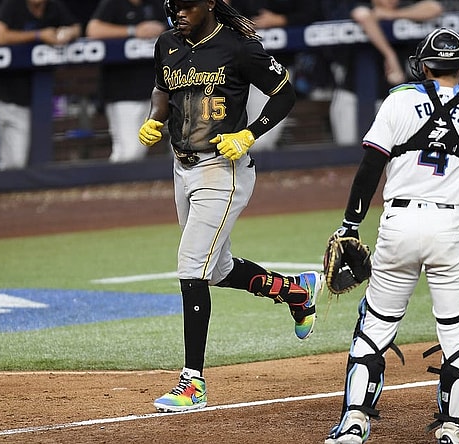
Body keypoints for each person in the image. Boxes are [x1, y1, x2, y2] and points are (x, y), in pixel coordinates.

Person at [325, 28, 459, 444]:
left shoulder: (398, 100)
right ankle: (453, 430)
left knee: (375, 324)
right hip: (452, 226)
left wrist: (351, 224)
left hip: (399, 224)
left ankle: (354, 423)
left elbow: (370, 167)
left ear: (423, 66)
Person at [138, 0, 322, 413]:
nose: (178, 13)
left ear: (208, 4)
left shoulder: (238, 46)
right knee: (217, 268)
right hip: (182, 167)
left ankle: (193, 384)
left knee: (191, 266)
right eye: (173, 6)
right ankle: (295, 291)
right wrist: (155, 118)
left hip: (223, 169)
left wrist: (249, 133)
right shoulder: (167, 42)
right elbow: (162, 88)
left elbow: (284, 94)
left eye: (186, 6)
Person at [0, 0, 81, 170]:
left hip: (21, 100)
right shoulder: (12, 5)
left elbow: (76, 27)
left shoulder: (53, 7)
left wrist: (68, 33)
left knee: (16, 164)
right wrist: (38, 35)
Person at [328, 0, 444, 145]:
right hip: (353, 97)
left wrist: (392, 15)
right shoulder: (359, 5)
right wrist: (389, 55)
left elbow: (434, 7)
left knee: (397, 153)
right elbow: (362, 15)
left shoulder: (400, 9)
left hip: (393, 99)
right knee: (351, 153)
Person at [227, 0, 323, 151]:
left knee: (262, 141)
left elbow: (313, 13)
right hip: (238, 66)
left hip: (278, 64)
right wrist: (240, 22)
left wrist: (281, 20)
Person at [86, 0, 169, 163]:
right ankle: (111, 181)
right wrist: (134, 30)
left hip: (160, 90)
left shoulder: (157, 4)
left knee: (183, 146)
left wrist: (161, 29)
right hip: (123, 92)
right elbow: (93, 30)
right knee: (130, 153)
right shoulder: (113, 4)